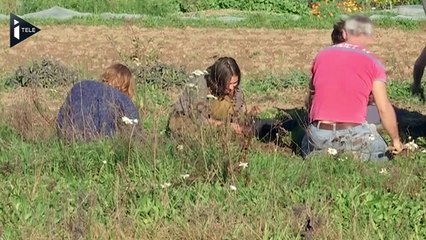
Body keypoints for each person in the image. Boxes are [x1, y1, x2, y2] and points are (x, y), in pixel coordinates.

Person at [302, 15, 404, 161]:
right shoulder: (373, 61)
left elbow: (311, 95)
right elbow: (384, 107)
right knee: (381, 154)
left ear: (344, 34)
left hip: (320, 133)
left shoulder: (321, 55)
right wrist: (395, 140)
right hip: (355, 133)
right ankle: (356, 155)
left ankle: (322, 155)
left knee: (308, 143)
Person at [57, 63, 140, 142]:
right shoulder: (122, 98)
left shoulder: (80, 87)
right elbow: (134, 129)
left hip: (69, 138)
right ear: (125, 87)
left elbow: (62, 117)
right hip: (100, 143)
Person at [167, 57, 247, 138]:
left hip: (215, 123)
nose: (231, 88)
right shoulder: (200, 84)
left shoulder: (235, 89)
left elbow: (238, 114)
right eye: (228, 83)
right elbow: (199, 120)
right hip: (187, 120)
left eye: (235, 83)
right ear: (218, 81)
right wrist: (225, 126)